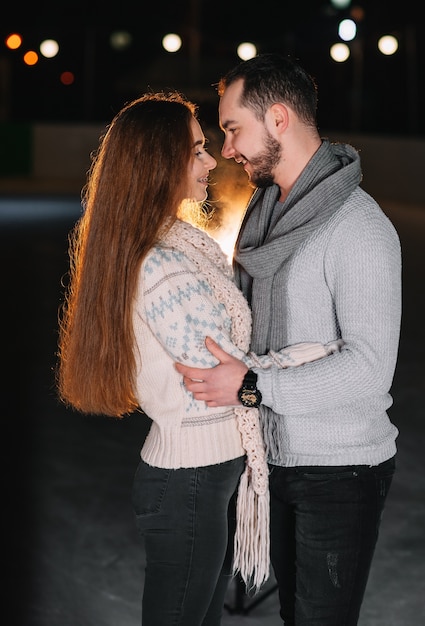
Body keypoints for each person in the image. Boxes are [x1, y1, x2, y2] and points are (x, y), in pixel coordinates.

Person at [56, 90, 342, 625]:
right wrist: (319, 352)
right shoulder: (161, 265)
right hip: (188, 480)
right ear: (158, 163)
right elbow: (224, 374)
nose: (212, 161)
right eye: (195, 151)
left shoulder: (181, 244)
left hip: (207, 475)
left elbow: (238, 368)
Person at [175, 53, 402, 626]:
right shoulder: (264, 217)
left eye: (233, 129)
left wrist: (250, 385)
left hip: (340, 470)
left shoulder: (358, 227)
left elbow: (369, 368)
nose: (227, 149)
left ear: (278, 119)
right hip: (273, 457)